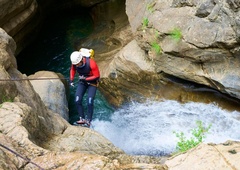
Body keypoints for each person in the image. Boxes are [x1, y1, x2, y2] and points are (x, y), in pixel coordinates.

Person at [69, 50, 100, 127]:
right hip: (82, 82)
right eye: (75, 64)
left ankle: (88, 120)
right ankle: (82, 119)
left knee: (89, 101)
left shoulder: (91, 63)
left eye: (77, 64)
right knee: (77, 100)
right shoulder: (75, 63)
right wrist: (71, 80)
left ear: (81, 60)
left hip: (92, 83)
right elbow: (72, 70)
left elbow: (97, 76)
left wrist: (85, 79)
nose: (76, 66)